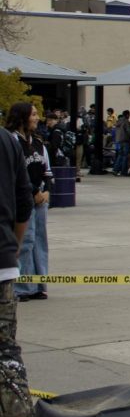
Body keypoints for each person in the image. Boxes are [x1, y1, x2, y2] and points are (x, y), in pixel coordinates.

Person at [0, 107, 43, 417]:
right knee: (5, 353)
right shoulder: (8, 141)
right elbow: (24, 202)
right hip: (1, 261)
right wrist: (11, 247)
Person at [6, 104, 52, 303]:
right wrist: (33, 191)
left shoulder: (39, 143)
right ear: (22, 117)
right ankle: (22, 287)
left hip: (41, 201)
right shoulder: (12, 141)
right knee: (26, 241)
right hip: (23, 200)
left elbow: (47, 170)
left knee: (39, 242)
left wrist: (47, 190)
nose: (37, 117)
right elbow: (16, 174)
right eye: (33, 114)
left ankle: (38, 284)